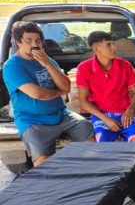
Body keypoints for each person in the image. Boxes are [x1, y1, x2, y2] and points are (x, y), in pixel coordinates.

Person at [2, 21, 93, 166]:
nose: (34, 44)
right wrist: (60, 92)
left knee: (87, 130)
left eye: (38, 41)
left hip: (61, 114)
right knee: (43, 165)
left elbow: (66, 86)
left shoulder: (47, 60)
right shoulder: (12, 66)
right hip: (33, 121)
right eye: (29, 40)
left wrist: (48, 64)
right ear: (18, 42)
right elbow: (38, 94)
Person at [76, 31, 135, 143]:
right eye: (108, 45)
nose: (114, 48)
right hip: (101, 116)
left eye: (113, 44)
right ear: (96, 48)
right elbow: (83, 101)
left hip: (125, 114)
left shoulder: (125, 65)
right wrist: (106, 119)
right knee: (103, 148)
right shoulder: (84, 68)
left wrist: (130, 110)